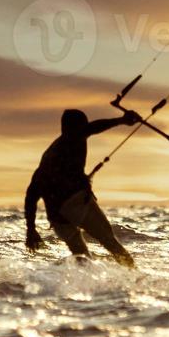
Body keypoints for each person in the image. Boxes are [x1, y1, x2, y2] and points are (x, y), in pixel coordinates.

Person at [25, 108, 140, 268]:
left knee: (82, 258)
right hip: (75, 203)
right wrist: (120, 120)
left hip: (57, 217)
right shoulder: (73, 137)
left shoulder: (49, 154)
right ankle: (134, 276)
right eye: (83, 127)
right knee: (110, 242)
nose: (85, 132)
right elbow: (92, 127)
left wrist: (31, 229)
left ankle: (88, 288)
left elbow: (31, 193)